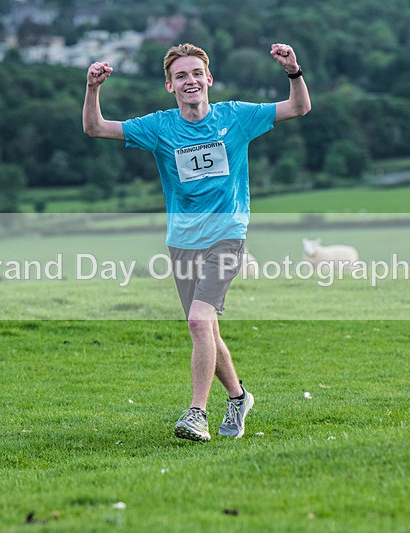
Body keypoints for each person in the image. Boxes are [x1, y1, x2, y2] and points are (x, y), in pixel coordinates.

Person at [83, 42, 311, 442]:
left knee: (197, 320)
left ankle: (196, 414)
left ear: (209, 79)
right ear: (169, 86)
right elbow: (96, 128)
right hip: (183, 242)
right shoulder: (159, 126)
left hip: (227, 235)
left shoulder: (236, 116)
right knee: (207, 330)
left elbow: (298, 108)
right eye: (180, 76)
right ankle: (239, 397)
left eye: (195, 74)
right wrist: (92, 88)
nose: (190, 81)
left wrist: (293, 71)